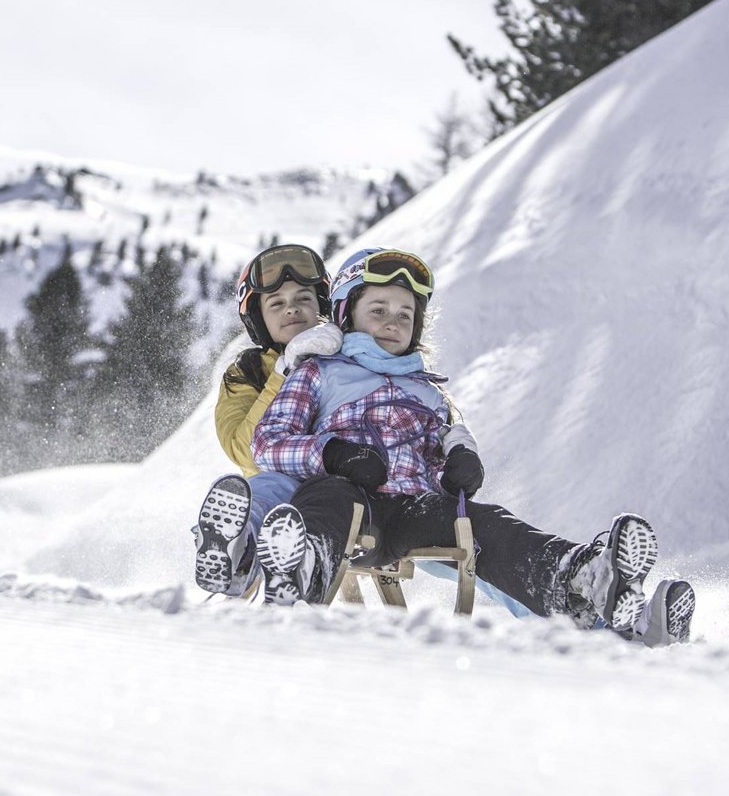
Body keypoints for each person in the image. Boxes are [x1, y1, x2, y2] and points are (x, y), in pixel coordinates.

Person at [249, 247, 694, 644]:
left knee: (485, 523)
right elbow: (267, 442)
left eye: (405, 314)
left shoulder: (428, 391)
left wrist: (462, 459)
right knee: (330, 498)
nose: (392, 321)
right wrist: (332, 455)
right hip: (347, 502)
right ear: (347, 314)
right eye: (378, 309)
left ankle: (586, 581)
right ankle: (299, 571)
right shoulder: (320, 372)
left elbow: (449, 438)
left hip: (412, 508)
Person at [192, 245, 342, 597]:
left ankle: (271, 566)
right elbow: (244, 451)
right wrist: (284, 370)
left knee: (310, 498)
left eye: (304, 298)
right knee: (266, 489)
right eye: (276, 303)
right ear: (258, 317)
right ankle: (234, 550)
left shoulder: (351, 357)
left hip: (340, 484)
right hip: (278, 484)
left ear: (323, 306)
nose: (292, 308)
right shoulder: (246, 373)